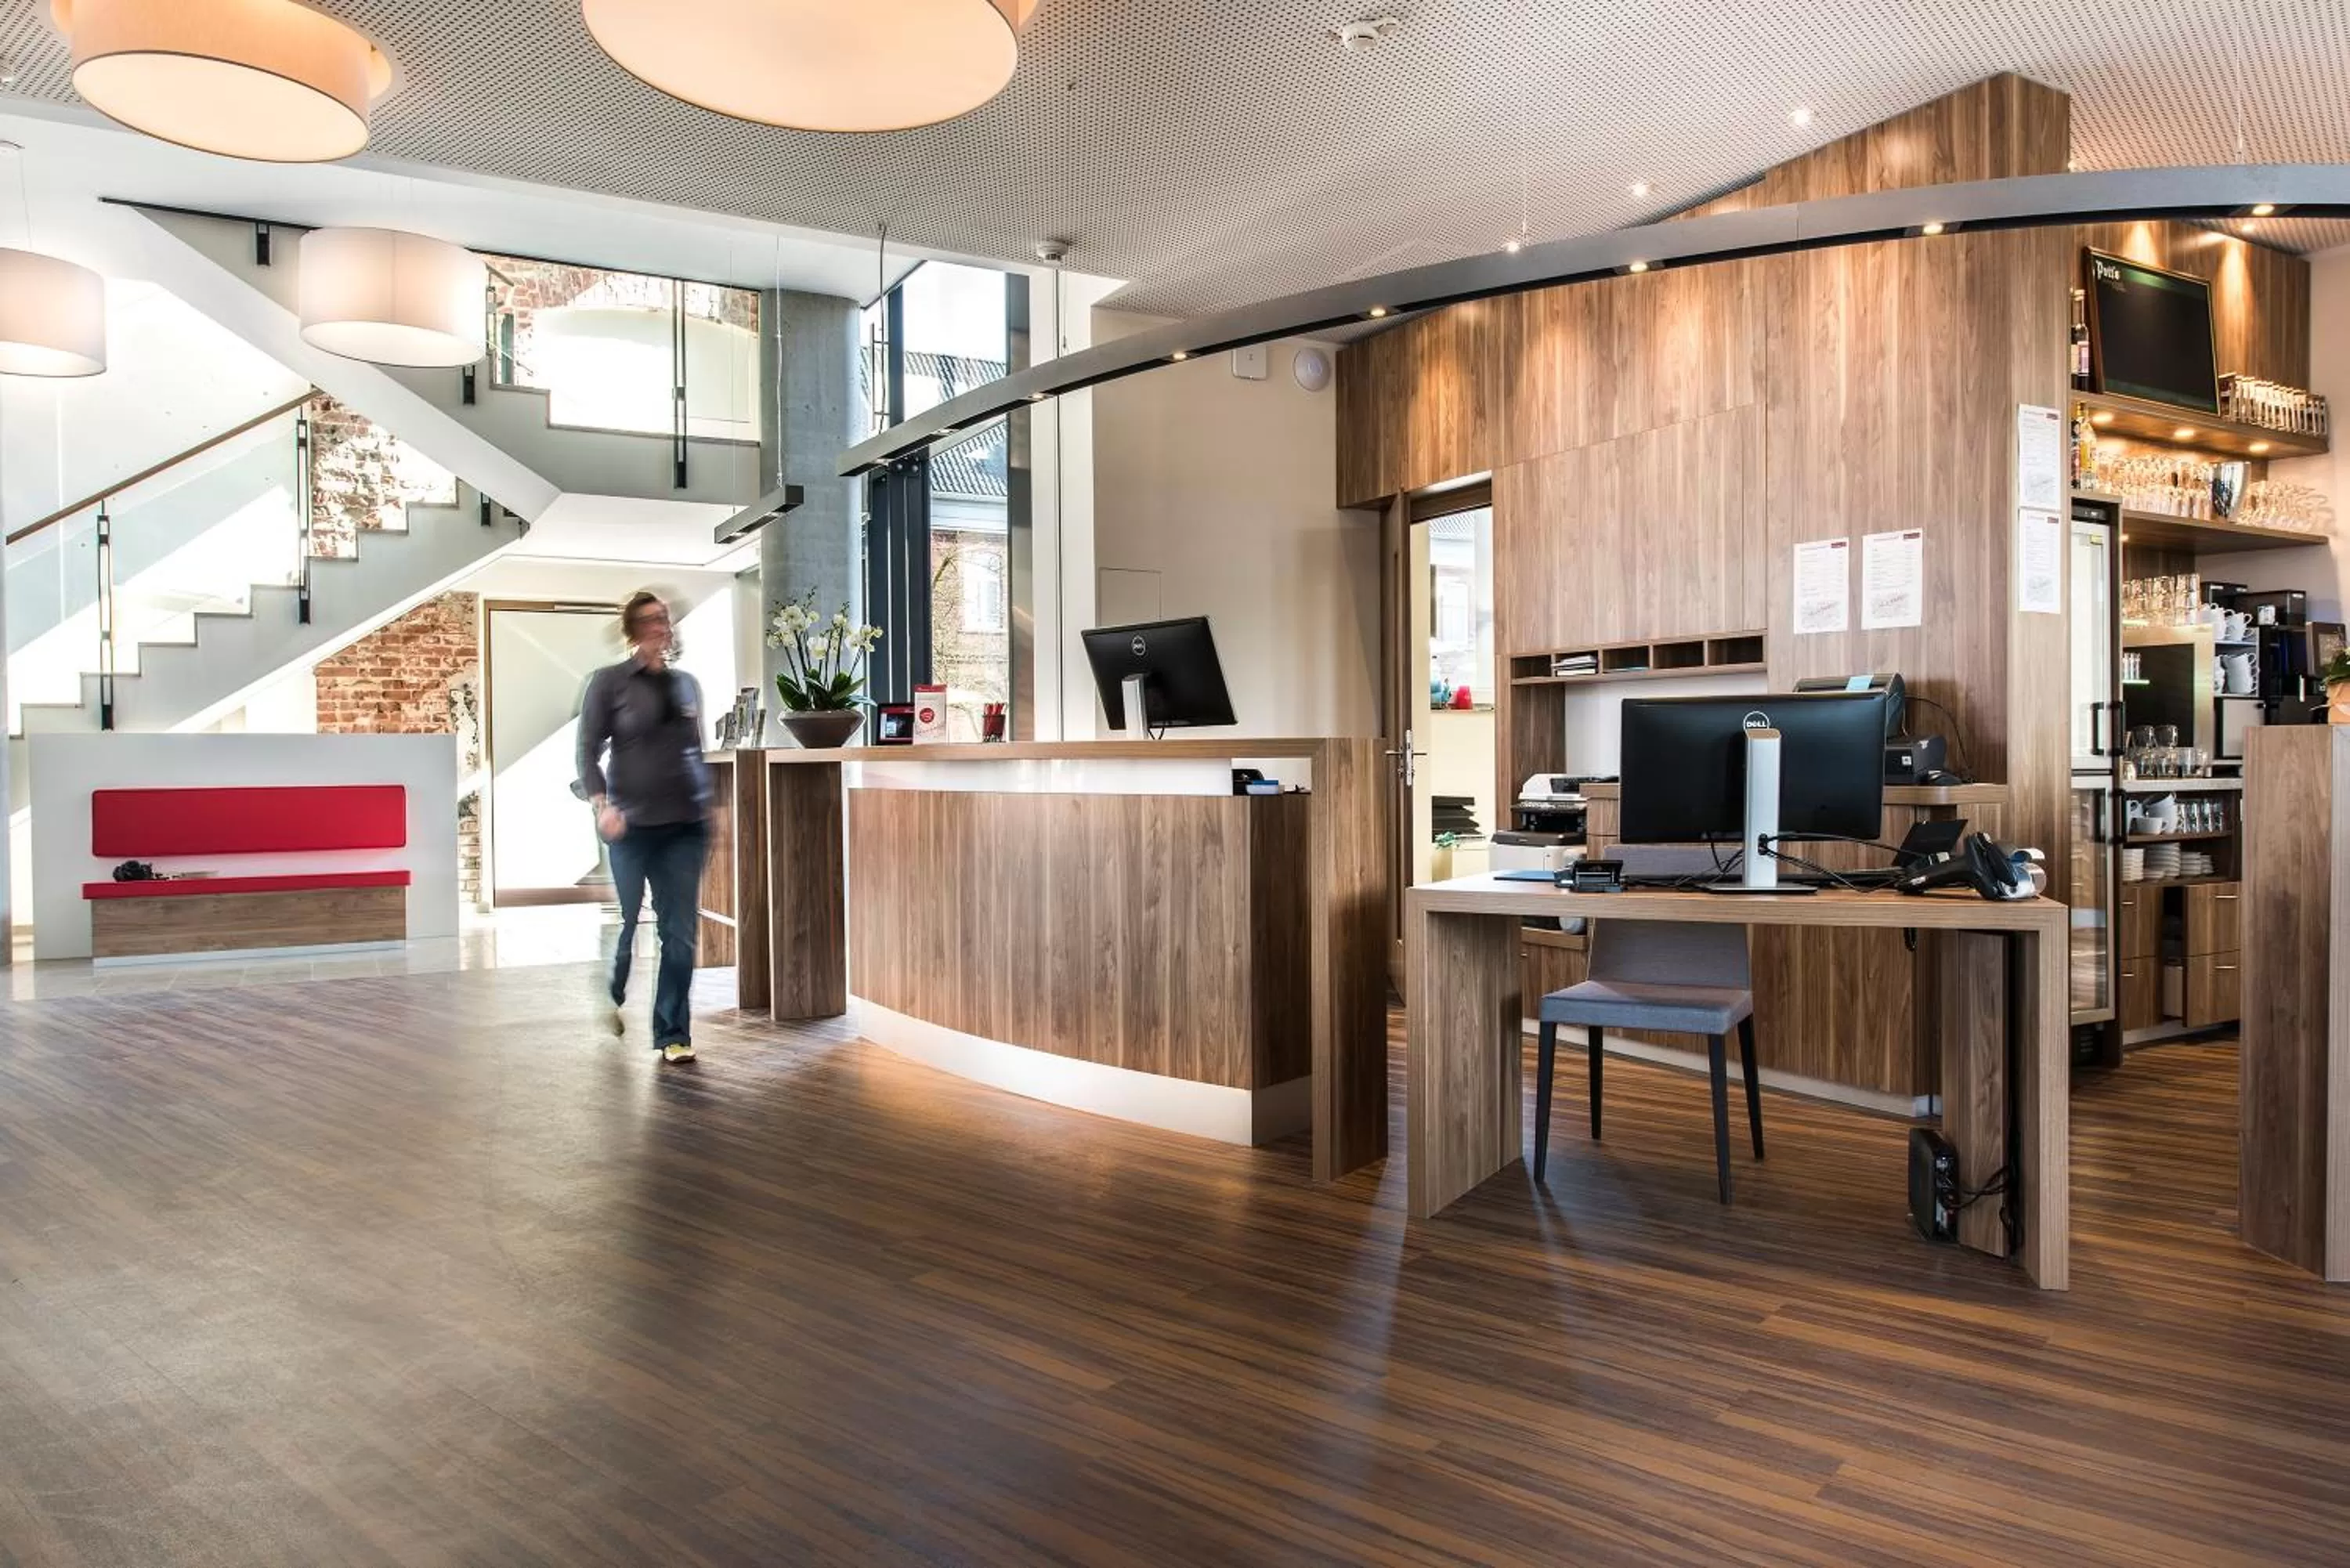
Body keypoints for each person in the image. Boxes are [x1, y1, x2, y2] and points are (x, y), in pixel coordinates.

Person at [577, 591, 710, 1063]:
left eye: (666, 619)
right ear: (634, 631)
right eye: (652, 620)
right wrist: (601, 805)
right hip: (630, 827)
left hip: (685, 826)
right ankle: (612, 987)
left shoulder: (686, 686)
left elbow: (695, 752)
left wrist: (712, 803)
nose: (662, 627)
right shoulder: (609, 683)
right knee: (629, 922)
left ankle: (672, 1033)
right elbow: (588, 751)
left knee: (678, 933)